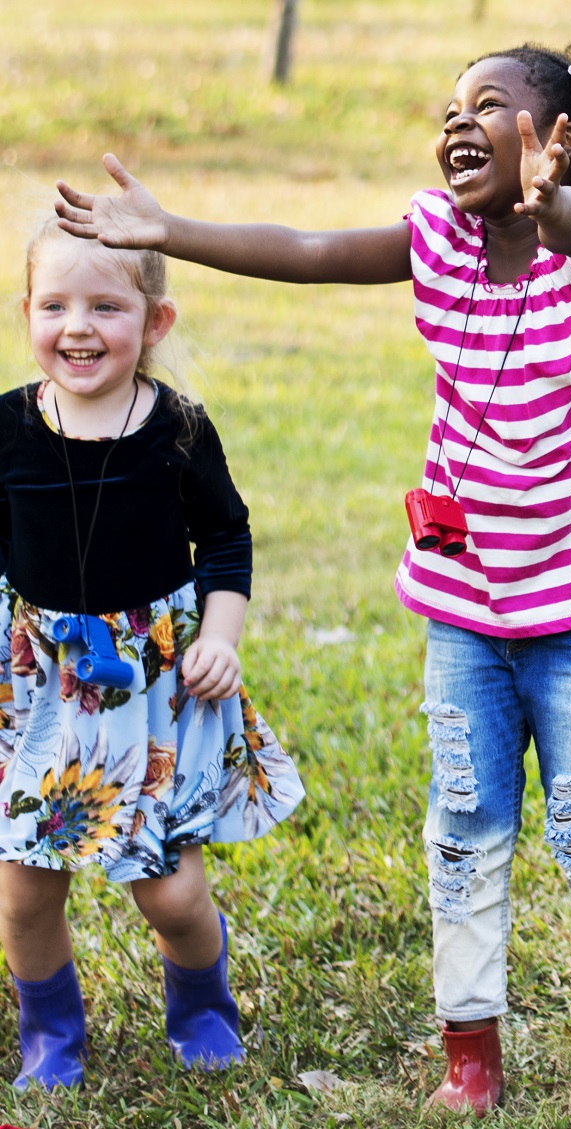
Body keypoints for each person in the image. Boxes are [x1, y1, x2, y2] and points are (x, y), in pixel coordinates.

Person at [53, 31, 571, 1113]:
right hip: (467, 613)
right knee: (462, 824)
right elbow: (305, 246)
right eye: (448, 105)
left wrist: (554, 205)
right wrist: (173, 232)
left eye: (485, 104)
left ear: (558, 138)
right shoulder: (437, 236)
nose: (454, 121)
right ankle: (469, 1052)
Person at [0, 225, 303, 1088]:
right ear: (28, 313)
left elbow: (227, 536)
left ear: (156, 318)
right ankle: (51, 1031)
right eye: (55, 305)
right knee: (22, 891)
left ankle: (203, 1006)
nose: (78, 326)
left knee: (170, 892)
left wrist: (220, 635)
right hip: (40, 691)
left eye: (106, 305)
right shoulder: (9, 427)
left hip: (155, 686)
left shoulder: (176, 428)